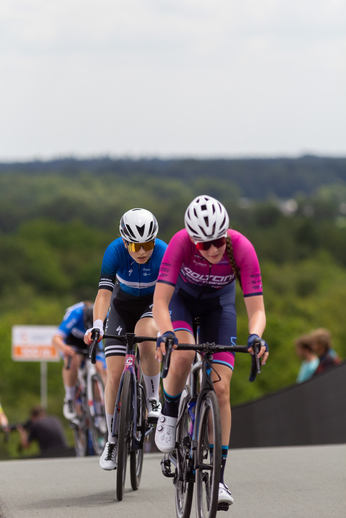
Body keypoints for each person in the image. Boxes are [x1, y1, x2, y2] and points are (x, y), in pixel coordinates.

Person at [153, 195, 268, 506]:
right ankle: (170, 411)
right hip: (182, 304)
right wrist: (165, 333)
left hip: (220, 308)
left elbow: (257, 310)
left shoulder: (241, 248)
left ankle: (217, 478)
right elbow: (160, 302)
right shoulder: (179, 243)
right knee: (183, 355)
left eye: (218, 240)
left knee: (221, 389)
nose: (214, 249)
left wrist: (256, 337)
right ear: (192, 240)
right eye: (204, 245)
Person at [84, 208, 167, 470]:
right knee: (115, 375)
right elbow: (104, 295)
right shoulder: (114, 251)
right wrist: (98, 324)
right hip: (122, 307)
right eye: (135, 245)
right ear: (124, 241)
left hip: (151, 306)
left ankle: (153, 397)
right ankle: (111, 440)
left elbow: (169, 296)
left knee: (145, 334)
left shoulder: (164, 252)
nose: (142, 252)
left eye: (147, 244)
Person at [52, 301, 107, 420]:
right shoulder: (76, 314)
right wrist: (64, 348)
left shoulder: (104, 314)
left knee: (101, 369)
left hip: (92, 341)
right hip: (73, 342)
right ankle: (70, 398)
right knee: (73, 360)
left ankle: (100, 408)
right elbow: (56, 339)